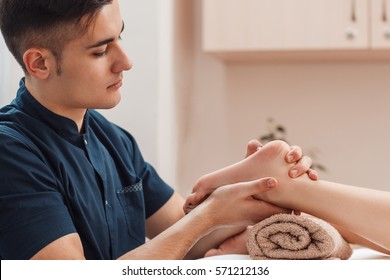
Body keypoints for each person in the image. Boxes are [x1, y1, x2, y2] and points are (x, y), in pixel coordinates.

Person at [0, 0, 316, 260]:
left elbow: (187, 233)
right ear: (39, 64)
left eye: (119, 38)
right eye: (100, 50)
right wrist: (210, 215)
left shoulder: (114, 140)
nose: (125, 61)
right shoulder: (9, 153)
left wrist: (256, 185)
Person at [184, 140, 390, 256]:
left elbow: (183, 232)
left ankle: (291, 189)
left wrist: (239, 206)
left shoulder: (149, 176)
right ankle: (291, 188)